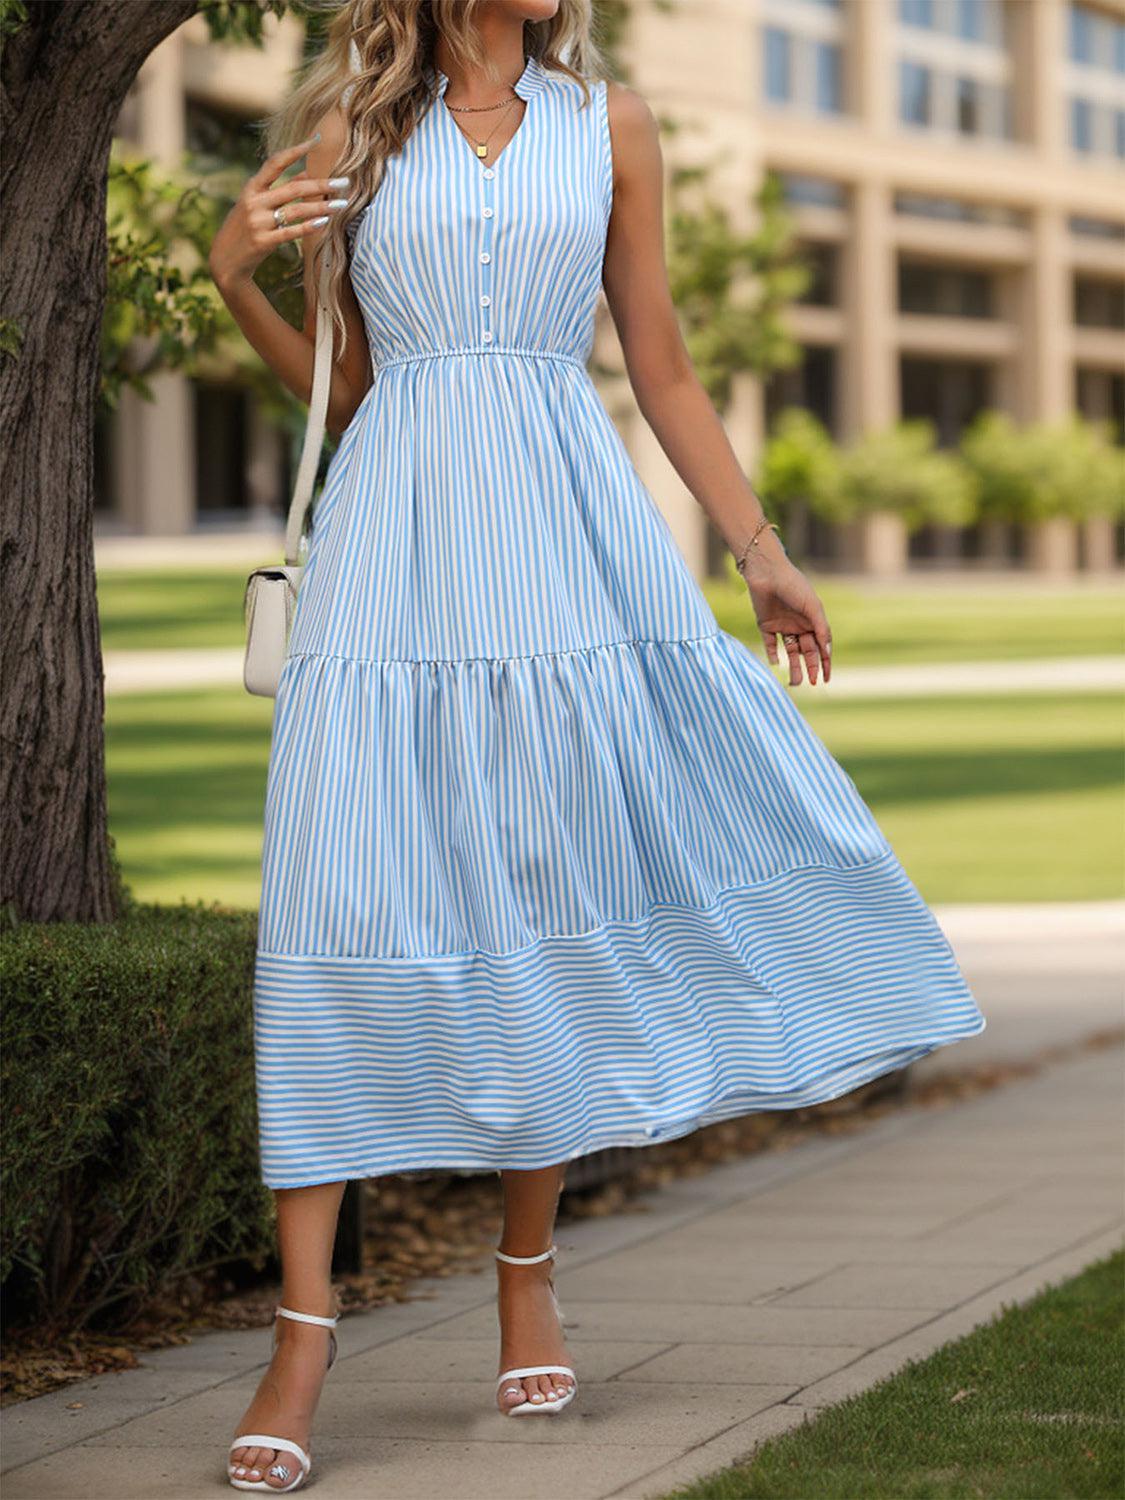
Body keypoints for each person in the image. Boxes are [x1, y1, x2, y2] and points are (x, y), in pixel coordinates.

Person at [208, 0, 986, 1490]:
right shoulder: (350, 133)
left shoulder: (607, 125)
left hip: (570, 556)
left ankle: (524, 1271)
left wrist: (758, 546)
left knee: (550, 901)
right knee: (336, 903)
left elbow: (665, 369)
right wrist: (232, 270)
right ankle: (300, 1337)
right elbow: (350, 390)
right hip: (394, 565)